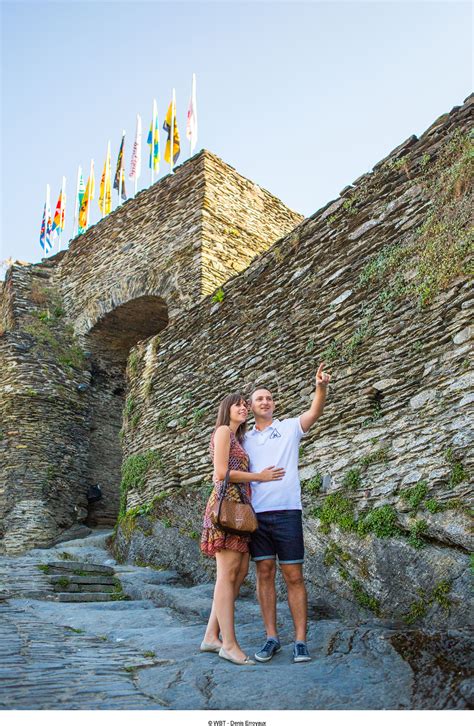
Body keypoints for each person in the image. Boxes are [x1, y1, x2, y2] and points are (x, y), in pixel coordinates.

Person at [243, 362, 331, 664]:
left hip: (287, 513)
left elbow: (314, 413)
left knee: (294, 575)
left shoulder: (289, 427)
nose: (265, 401)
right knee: (264, 573)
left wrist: (320, 388)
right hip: (257, 516)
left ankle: (301, 641)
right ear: (251, 406)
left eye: (268, 398)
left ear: (273, 404)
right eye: (259, 399)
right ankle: (271, 637)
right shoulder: (244, 439)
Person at [200, 392, 285, 666]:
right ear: (226, 408)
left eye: (244, 405)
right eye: (238, 404)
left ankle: (211, 636)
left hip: (241, 510)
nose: (243, 408)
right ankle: (229, 644)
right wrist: (260, 477)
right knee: (226, 575)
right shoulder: (224, 430)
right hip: (227, 507)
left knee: (236, 575)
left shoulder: (238, 438)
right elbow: (220, 472)